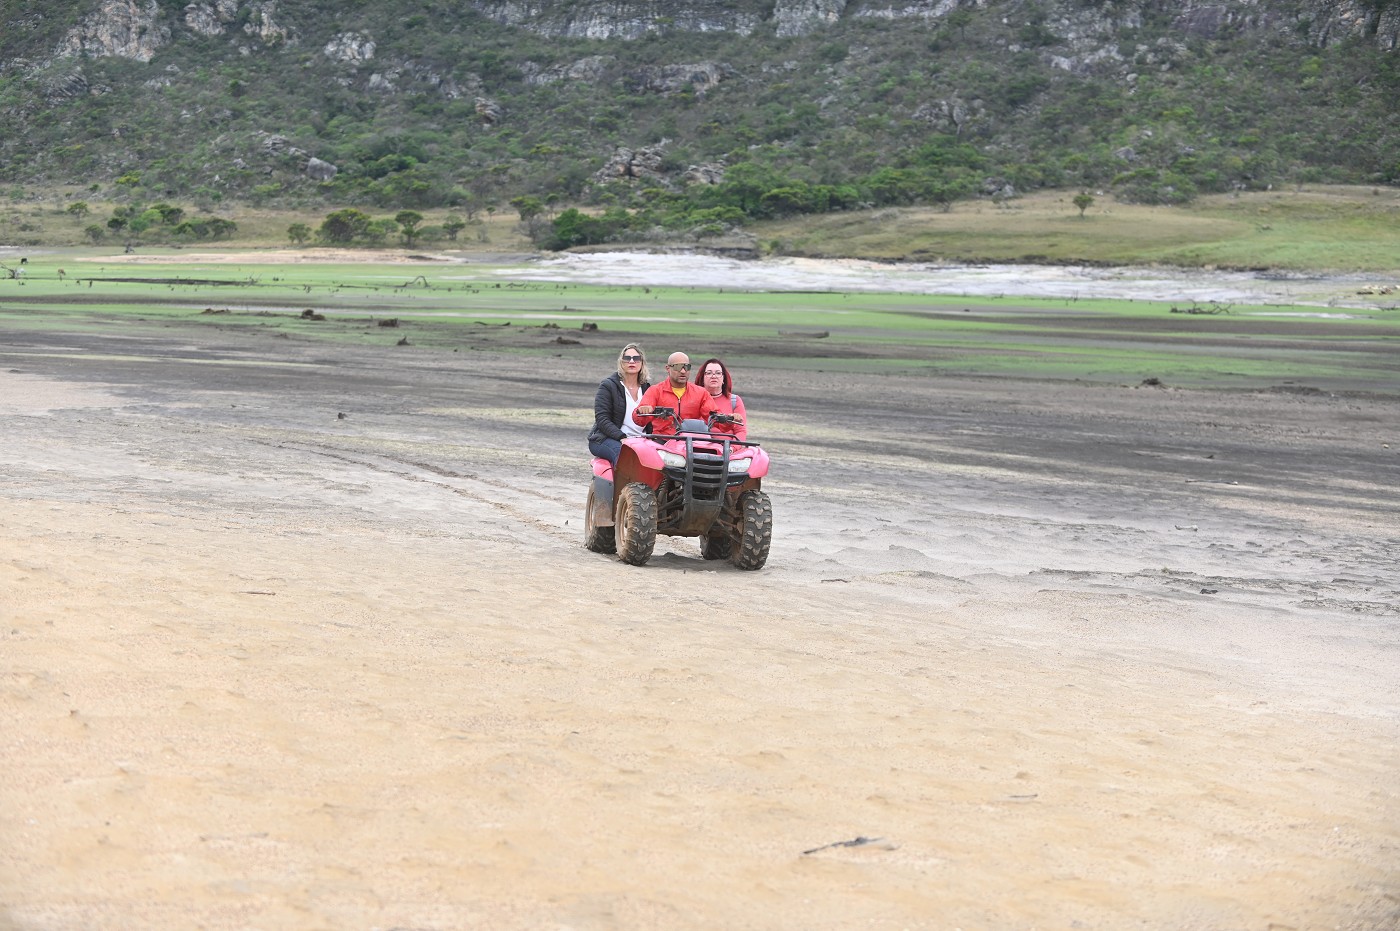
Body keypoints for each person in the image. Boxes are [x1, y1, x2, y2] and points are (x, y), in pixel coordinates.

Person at [588, 343, 651, 466]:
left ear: (642, 362)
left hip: (641, 440)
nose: (631, 361)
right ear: (621, 362)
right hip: (608, 439)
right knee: (623, 455)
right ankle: (623, 486)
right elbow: (602, 420)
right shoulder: (608, 386)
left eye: (636, 358)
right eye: (627, 358)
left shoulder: (647, 388)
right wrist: (623, 438)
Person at [635, 352, 719, 436]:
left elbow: (717, 419)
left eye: (686, 367)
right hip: (662, 442)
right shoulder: (655, 391)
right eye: (678, 367)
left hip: (690, 443)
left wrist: (730, 418)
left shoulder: (701, 393)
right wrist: (643, 411)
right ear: (668, 368)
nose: (683, 371)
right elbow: (639, 420)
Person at [694, 357, 747, 441]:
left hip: (726, 450)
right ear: (702, 378)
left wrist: (731, 449)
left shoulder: (735, 400)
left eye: (718, 373)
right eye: (709, 373)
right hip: (695, 448)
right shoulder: (693, 399)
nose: (714, 376)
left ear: (723, 379)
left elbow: (741, 432)